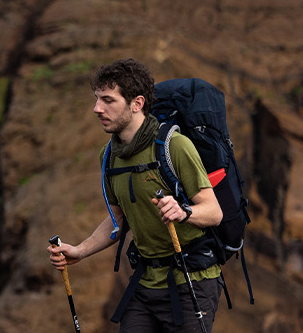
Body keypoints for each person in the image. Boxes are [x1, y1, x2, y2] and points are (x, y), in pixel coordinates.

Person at [47, 58, 223, 332]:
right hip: (145, 283)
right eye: (96, 99)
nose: (97, 109)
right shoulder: (108, 157)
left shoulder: (174, 146)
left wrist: (183, 212)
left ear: (137, 103)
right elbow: (118, 219)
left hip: (192, 281)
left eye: (108, 100)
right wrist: (79, 251)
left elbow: (214, 212)